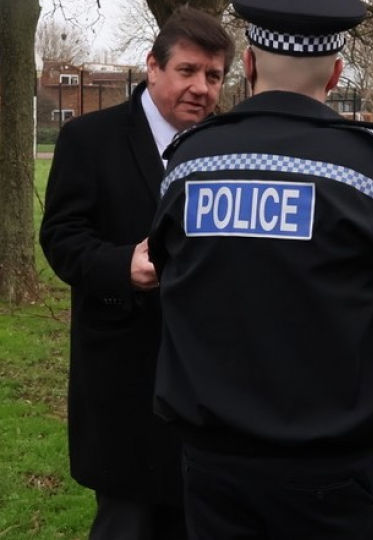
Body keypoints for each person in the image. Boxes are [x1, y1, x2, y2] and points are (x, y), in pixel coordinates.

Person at [146, 0, 373, 538]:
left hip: (212, 460)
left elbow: (169, 273)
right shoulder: (367, 172)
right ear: (335, 74)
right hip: (326, 462)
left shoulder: (189, 163)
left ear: (250, 64)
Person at [39, 8, 234, 540]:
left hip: (208, 379)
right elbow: (60, 237)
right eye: (188, 71)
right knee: (128, 520)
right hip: (125, 372)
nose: (201, 88)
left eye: (213, 76)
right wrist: (121, 265)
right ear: (153, 67)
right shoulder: (89, 138)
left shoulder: (226, 148)